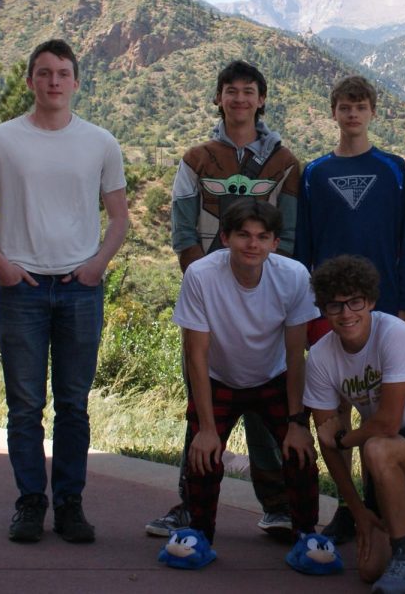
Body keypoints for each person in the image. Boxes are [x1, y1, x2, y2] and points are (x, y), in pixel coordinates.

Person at [0, 38, 129, 544]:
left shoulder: (101, 142)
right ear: (30, 80)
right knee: (25, 406)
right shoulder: (1, 139)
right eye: (44, 72)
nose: (54, 81)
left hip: (81, 289)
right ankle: (31, 504)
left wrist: (98, 265)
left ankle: (70, 505)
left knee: (73, 405)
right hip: (22, 291)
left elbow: (119, 217)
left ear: (76, 82)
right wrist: (3, 268)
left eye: (63, 73)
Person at [148, 60, 300, 538]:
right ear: (219, 98)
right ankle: (190, 507)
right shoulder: (197, 158)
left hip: (267, 301)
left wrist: (269, 280)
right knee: (204, 404)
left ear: (261, 99)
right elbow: (182, 228)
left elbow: (290, 233)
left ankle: (277, 504)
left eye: (248, 91)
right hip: (209, 304)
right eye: (230, 91)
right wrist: (203, 285)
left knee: (267, 402)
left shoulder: (285, 162)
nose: (239, 99)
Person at [295, 75, 405, 544]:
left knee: (381, 407)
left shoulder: (390, 169)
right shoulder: (315, 172)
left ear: (372, 112)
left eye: (360, 106)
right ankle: (349, 507)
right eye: (344, 107)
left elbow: (404, 239)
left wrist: (403, 303)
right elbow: (304, 242)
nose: (352, 114)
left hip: (381, 302)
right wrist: (309, 306)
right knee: (335, 405)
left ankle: (382, 501)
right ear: (333, 113)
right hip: (329, 305)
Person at [172, 199, 326, 567]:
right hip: (219, 376)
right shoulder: (201, 275)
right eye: (243, 235)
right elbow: (196, 353)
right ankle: (199, 534)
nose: (252, 244)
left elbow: (295, 354)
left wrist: (296, 422)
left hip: (273, 376)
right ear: (225, 237)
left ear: (275, 243)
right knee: (203, 453)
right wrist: (207, 429)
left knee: (300, 452)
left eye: (262, 236)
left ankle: (306, 535)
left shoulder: (293, 276)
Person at [305, 255, 405, 594]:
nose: (346, 313)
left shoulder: (393, 332)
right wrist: (356, 510)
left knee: (376, 447)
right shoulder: (321, 357)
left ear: (371, 301)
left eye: (355, 302)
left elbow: (387, 422)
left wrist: (346, 438)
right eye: (335, 305)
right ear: (323, 309)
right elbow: (327, 441)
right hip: (386, 449)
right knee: (370, 569)